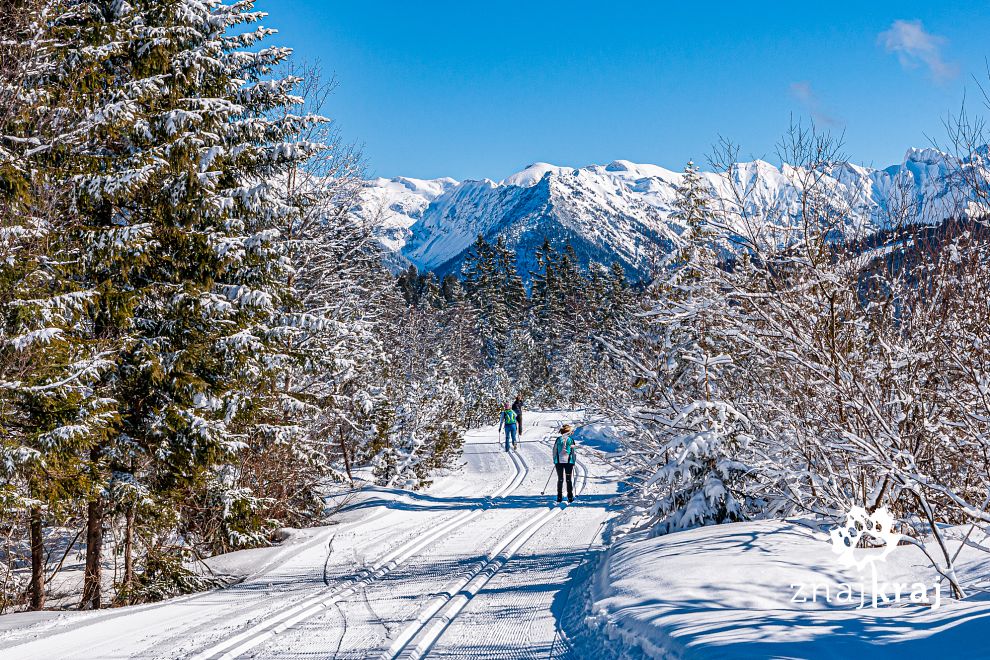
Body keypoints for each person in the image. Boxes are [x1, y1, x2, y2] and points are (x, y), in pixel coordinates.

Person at [553, 424, 576, 503]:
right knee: (568, 479)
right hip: (569, 462)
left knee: (560, 479)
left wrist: (555, 460)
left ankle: (559, 497)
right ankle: (570, 497)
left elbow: (554, 450)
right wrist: (574, 461)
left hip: (558, 462)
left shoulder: (558, 439)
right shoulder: (571, 440)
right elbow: (573, 452)